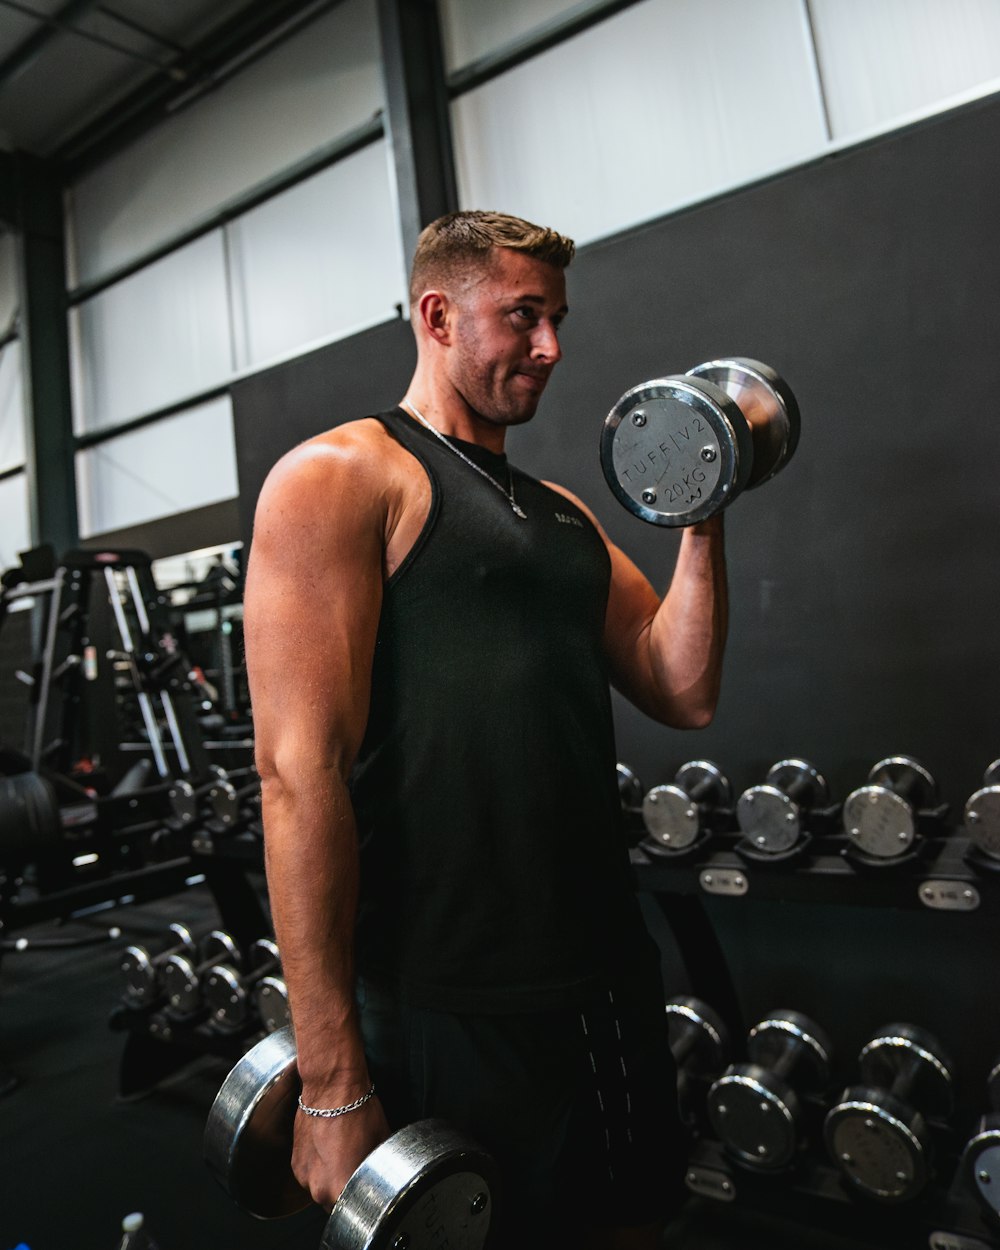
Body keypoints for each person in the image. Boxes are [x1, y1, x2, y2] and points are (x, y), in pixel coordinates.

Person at [244, 210, 727, 1248]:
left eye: (555, 318)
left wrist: (704, 500)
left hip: (603, 967)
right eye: (523, 316)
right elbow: (297, 774)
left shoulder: (558, 510)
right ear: (437, 315)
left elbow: (677, 680)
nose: (551, 346)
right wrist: (330, 1079)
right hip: (451, 988)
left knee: (626, 1223)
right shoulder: (343, 476)